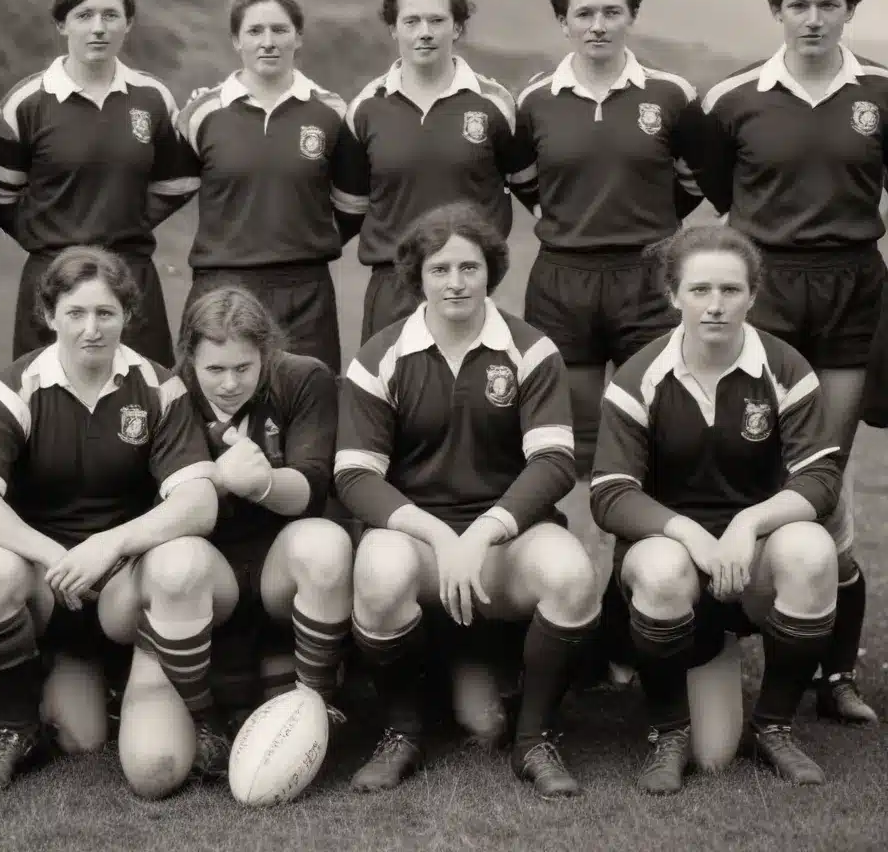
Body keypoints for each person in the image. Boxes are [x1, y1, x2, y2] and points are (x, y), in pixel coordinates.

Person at [336, 202, 600, 799]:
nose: (455, 282)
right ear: (417, 277)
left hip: (504, 542)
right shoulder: (380, 355)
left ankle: (536, 738)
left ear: (491, 272)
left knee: (570, 573)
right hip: (421, 543)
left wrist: (483, 532)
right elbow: (354, 476)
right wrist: (436, 535)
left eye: (469, 268)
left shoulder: (532, 350)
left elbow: (555, 463)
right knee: (378, 573)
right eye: (440, 269)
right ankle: (401, 730)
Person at [692, 0, 886, 725]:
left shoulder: (879, 89)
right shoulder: (733, 97)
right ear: (777, 8)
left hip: (851, 290)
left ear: (849, 9)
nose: (813, 18)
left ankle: (829, 672)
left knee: (821, 473)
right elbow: (715, 186)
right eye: (798, 4)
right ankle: (709, 631)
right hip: (762, 288)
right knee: (742, 456)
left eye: (828, 4)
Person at [0, 247, 220, 797]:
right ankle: (17, 729)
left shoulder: (160, 387)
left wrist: (109, 544)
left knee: (184, 558)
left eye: (106, 313)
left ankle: (182, 703)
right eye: (75, 313)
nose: (91, 328)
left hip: (126, 584)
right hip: (53, 591)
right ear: (49, 315)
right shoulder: (8, 390)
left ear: (127, 314)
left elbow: (199, 502)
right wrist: (55, 556)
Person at [591, 224, 842, 793]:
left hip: (751, 561)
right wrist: (692, 537)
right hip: (672, 563)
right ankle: (667, 730)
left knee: (812, 550)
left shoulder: (785, 368)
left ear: (753, 295)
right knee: (711, 754)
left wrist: (748, 524)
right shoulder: (639, 377)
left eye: (730, 290)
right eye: (699, 290)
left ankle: (774, 724)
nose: (715, 305)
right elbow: (609, 492)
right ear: (673, 294)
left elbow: (822, 477)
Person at [509, 0, 703, 562]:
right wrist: (576, 220)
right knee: (573, 438)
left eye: (611, 12)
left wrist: (644, 223)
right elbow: (525, 180)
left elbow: (692, 183)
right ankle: (580, 583)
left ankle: (649, 577)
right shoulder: (536, 101)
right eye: (584, 13)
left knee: (661, 427)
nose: (598, 25)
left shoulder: (672, 96)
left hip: (650, 277)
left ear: (631, 18)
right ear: (563, 22)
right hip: (563, 280)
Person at [0, 0, 197, 366]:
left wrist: (125, 223)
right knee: (47, 407)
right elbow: (1, 195)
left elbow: (178, 182)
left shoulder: (152, 98)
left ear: (128, 23)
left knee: (145, 406)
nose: (98, 28)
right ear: (62, 24)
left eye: (110, 15)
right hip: (52, 279)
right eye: (84, 15)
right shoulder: (26, 104)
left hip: (130, 274)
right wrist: (48, 237)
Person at [175, 285, 352, 752]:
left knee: (324, 541)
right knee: (154, 761)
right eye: (214, 369)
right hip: (208, 580)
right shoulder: (168, 393)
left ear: (266, 354)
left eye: (243, 368)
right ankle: (203, 718)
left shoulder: (304, 378)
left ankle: (317, 706)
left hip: (280, 573)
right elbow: (167, 508)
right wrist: (220, 478)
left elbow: (313, 490)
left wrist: (262, 483)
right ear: (188, 361)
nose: (229, 383)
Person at [175, 0, 366, 375]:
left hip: (305, 289)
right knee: (214, 408)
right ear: (235, 40)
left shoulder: (331, 113)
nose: (268, 42)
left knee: (311, 405)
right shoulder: (201, 113)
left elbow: (352, 204)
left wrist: (304, 238)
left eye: (280, 30)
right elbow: (169, 189)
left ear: (299, 37)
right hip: (220, 285)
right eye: (255, 31)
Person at [346, 0, 522, 343]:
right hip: (391, 285)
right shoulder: (364, 109)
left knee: (471, 396)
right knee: (385, 398)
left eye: (436, 20)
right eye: (411, 21)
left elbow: (529, 185)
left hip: (468, 281)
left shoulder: (495, 104)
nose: (424, 32)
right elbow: (351, 202)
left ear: (456, 27)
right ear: (393, 28)